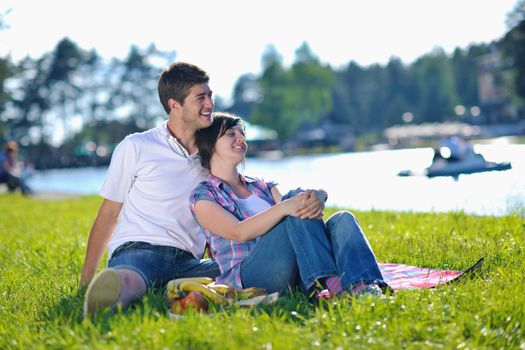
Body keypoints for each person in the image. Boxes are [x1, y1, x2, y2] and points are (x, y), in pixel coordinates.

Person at [190, 113, 389, 299]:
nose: (241, 139)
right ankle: (334, 284)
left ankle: (364, 286)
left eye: (242, 134)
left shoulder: (262, 186)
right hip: (250, 279)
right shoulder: (204, 196)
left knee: (343, 219)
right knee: (292, 201)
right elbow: (238, 232)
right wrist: (286, 207)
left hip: (295, 273)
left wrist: (319, 195)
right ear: (210, 143)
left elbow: (298, 209)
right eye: (231, 134)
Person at [79, 62, 223, 317]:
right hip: (139, 251)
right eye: (200, 97)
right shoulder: (136, 146)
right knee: (129, 281)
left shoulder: (213, 152)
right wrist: (85, 280)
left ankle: (181, 289)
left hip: (188, 262)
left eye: (210, 95)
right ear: (174, 105)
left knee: (238, 270)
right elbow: (109, 214)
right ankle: (106, 298)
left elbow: (220, 209)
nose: (210, 104)